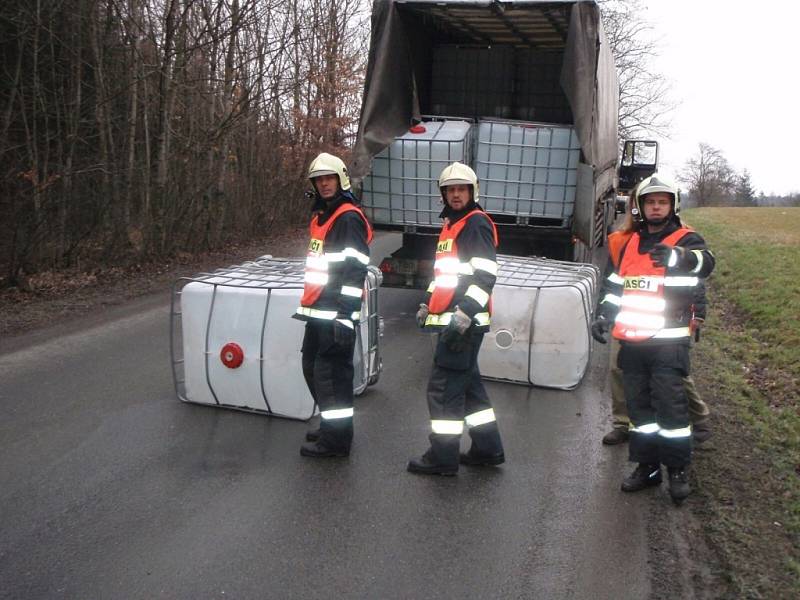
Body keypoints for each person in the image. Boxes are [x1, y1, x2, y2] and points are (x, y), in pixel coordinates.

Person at [591, 174, 715, 503]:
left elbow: (706, 263)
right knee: (639, 410)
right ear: (640, 207)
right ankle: (647, 468)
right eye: (650, 201)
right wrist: (604, 314)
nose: (656, 207)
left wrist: (679, 258)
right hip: (633, 343)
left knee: (672, 409)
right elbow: (615, 286)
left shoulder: (687, 239)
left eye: (662, 201)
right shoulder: (630, 243)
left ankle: (677, 470)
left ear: (673, 205)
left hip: (669, 343)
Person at [408, 162, 505, 475]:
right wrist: (428, 305)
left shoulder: (474, 224)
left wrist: (463, 314)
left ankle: (443, 457)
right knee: (468, 388)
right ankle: (487, 450)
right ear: (443, 195)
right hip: (454, 320)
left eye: (461, 189)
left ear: (472, 191)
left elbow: (485, 275)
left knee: (444, 390)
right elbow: (446, 277)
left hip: (463, 324)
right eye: (451, 190)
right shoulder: (452, 225)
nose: (456, 194)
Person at [293, 152, 373, 458]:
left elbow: (355, 270)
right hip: (317, 312)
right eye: (319, 180)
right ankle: (331, 427)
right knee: (313, 370)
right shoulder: (322, 216)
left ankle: (336, 443)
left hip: (336, 314)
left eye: (330, 178)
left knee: (331, 377)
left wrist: (344, 316)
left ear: (341, 180)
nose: (325, 184)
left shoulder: (348, 217)